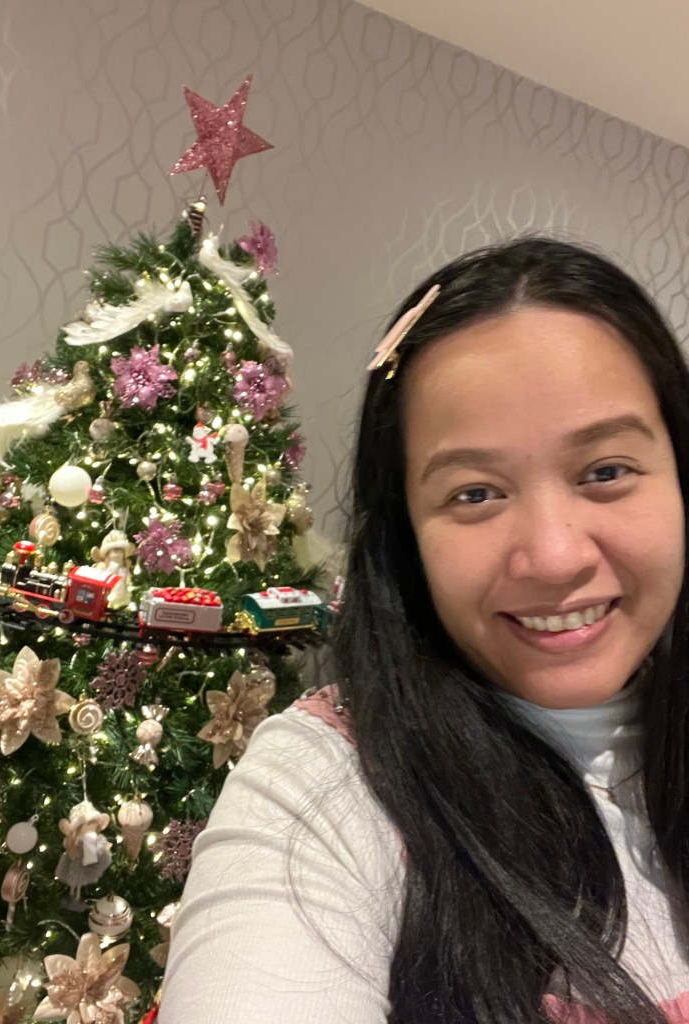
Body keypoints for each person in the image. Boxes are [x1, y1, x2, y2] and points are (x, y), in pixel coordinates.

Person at [159, 237, 689, 1024]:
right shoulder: (327, 784)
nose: (554, 557)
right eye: (475, 493)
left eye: (606, 472)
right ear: (405, 533)